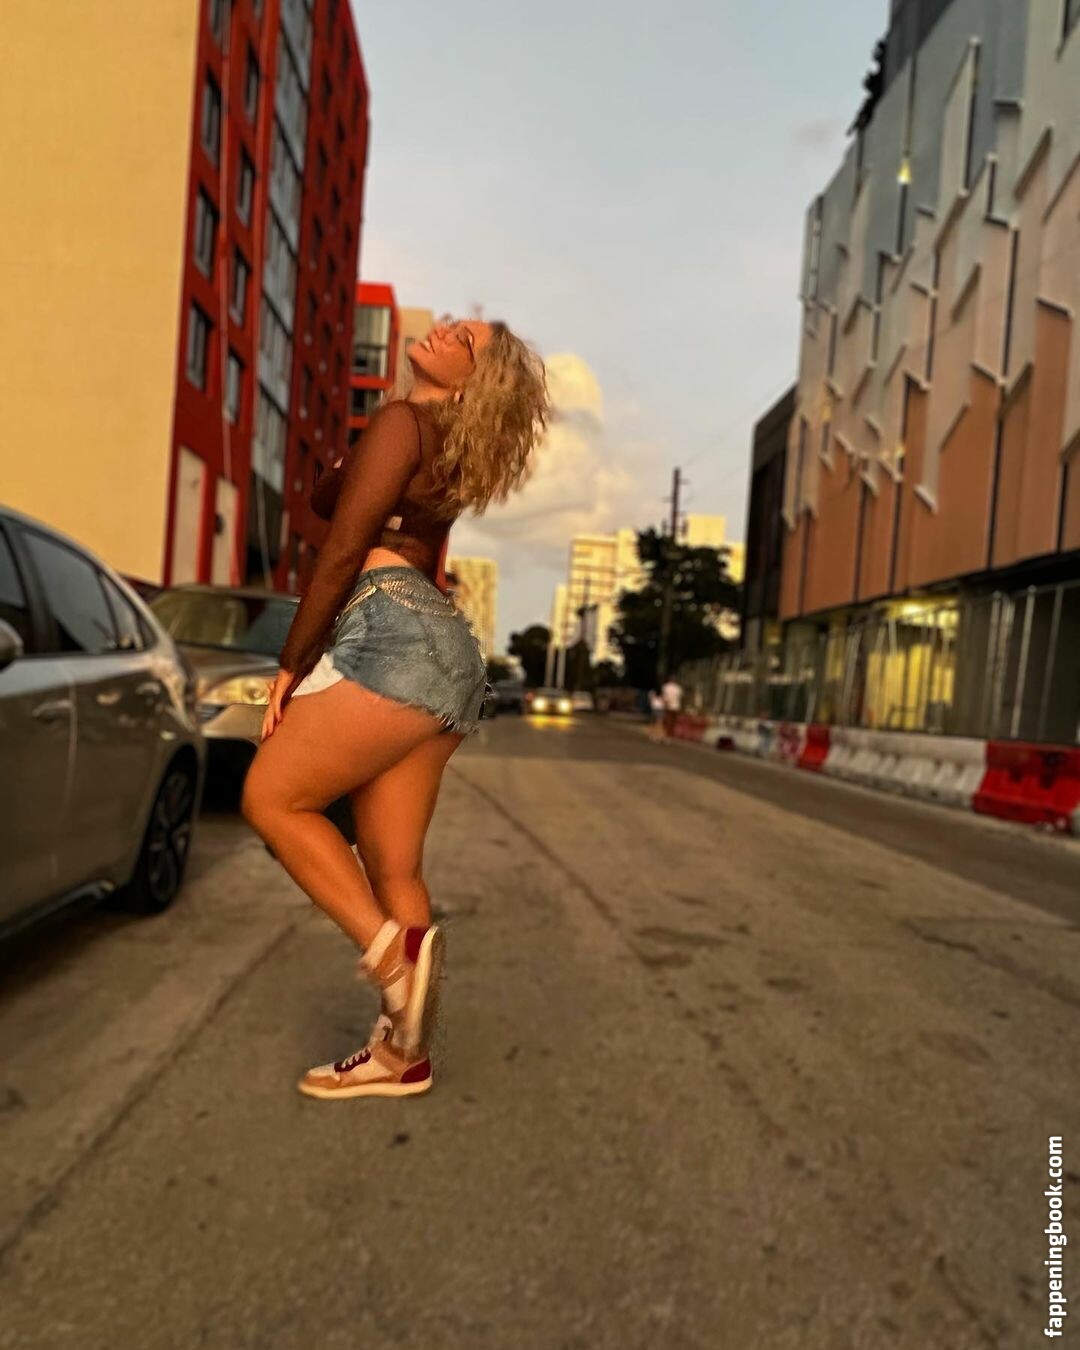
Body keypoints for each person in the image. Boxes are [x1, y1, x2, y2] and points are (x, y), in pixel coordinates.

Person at [242, 317, 549, 1100]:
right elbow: (329, 492)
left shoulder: (406, 423)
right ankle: (401, 1056)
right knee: (394, 866)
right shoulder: (434, 437)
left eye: (465, 341)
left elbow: (341, 545)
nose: (444, 328)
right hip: (447, 651)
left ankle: (391, 962)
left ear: (474, 379)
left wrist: (292, 660)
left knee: (272, 797)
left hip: (393, 630)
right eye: (453, 322)